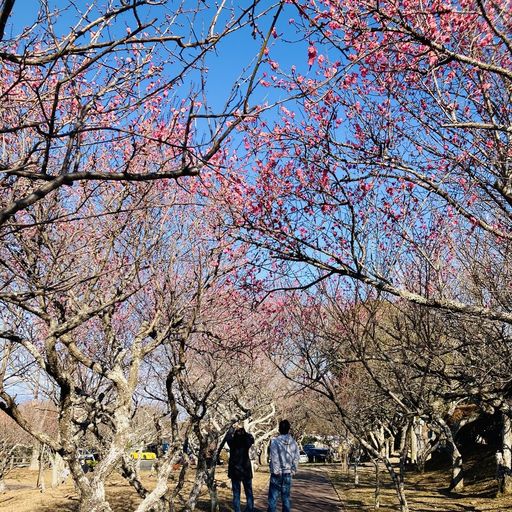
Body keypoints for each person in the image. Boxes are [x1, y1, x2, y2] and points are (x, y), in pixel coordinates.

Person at [267, 419, 300, 512]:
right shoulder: (293, 442)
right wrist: (293, 470)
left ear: (279, 429)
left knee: (273, 499)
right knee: (285, 498)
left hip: (277, 474)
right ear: (289, 429)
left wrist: (276, 470)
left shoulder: (275, 441)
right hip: (287, 473)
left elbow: (274, 457)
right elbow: (297, 457)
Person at [224, 424, 255, 512]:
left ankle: (237, 510)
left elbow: (228, 435)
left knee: (236, 494)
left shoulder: (232, 442)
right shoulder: (247, 442)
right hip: (246, 471)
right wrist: (243, 430)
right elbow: (251, 438)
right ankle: (250, 509)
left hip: (235, 471)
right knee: (249, 492)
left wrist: (232, 427)